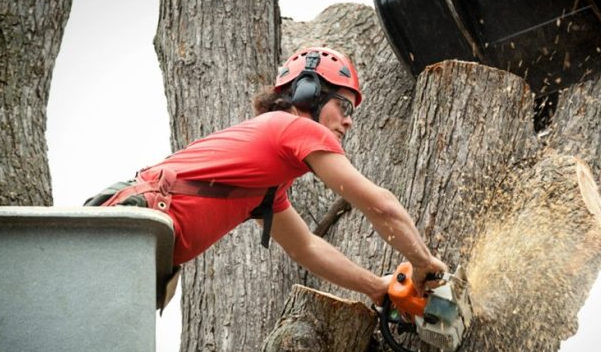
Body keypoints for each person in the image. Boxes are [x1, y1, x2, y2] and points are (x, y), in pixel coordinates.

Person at [85, 46, 447, 308]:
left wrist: (375, 287)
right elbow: (379, 204)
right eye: (344, 105)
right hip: (130, 230)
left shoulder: (267, 186)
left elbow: (305, 246)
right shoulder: (296, 128)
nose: (349, 120)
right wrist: (424, 263)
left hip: (138, 247)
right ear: (310, 94)